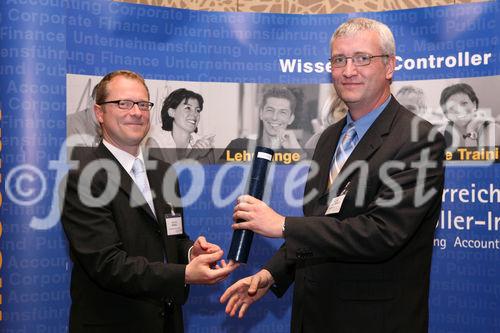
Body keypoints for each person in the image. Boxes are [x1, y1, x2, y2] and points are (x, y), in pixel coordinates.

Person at [220, 18, 446, 333]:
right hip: (312, 316)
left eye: (362, 58)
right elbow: (322, 223)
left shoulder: (418, 138)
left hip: (374, 322)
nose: (348, 70)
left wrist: (282, 225)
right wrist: (272, 273)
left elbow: (382, 234)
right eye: (339, 60)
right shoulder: (328, 139)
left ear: (390, 66)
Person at [61, 70, 237, 333]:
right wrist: (185, 275)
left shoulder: (164, 172)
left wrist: (190, 252)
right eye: (123, 103)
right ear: (99, 113)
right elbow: (108, 265)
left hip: (167, 322)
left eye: (143, 104)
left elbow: (171, 237)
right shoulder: (82, 177)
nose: (136, 112)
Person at [221, 86, 302, 161]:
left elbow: (310, 174)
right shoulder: (238, 146)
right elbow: (216, 175)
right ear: (261, 113)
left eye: (282, 112)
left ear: (291, 119)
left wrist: (297, 150)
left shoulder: (295, 157)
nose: (274, 117)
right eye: (270, 110)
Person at [146, 88, 216, 164]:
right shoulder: (155, 143)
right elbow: (162, 176)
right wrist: (194, 154)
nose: (195, 114)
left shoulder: (204, 146)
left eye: (197, 110)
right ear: (171, 112)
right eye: (188, 108)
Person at [440, 82, 500, 148]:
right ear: (446, 114)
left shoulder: (493, 130)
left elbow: (472, 158)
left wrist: (470, 131)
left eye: (464, 103)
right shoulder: (441, 134)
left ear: (474, 104)